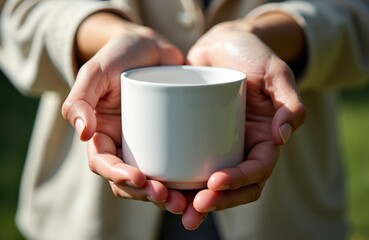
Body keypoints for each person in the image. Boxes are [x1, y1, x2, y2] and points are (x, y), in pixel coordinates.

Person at [1, 0, 368, 239]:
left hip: (281, 214)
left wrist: (267, 35)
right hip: (93, 217)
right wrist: (106, 36)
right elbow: (21, 10)